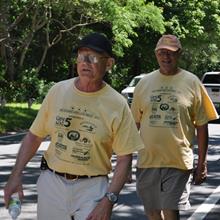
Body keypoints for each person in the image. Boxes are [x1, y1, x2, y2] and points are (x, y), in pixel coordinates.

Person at [4, 32, 144, 220]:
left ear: (108, 64)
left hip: (92, 188)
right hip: (52, 183)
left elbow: (124, 157)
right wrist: (15, 174)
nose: (85, 62)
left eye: (93, 57)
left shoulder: (117, 104)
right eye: (81, 56)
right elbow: (34, 136)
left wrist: (109, 199)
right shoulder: (58, 91)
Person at [131, 34, 219, 220]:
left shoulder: (192, 82)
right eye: (162, 53)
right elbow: (134, 125)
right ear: (156, 54)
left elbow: (202, 126)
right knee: (152, 212)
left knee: (170, 209)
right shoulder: (144, 83)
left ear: (179, 54)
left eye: (171, 53)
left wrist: (201, 163)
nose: (166, 57)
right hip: (148, 160)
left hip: (178, 160)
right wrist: (126, 160)